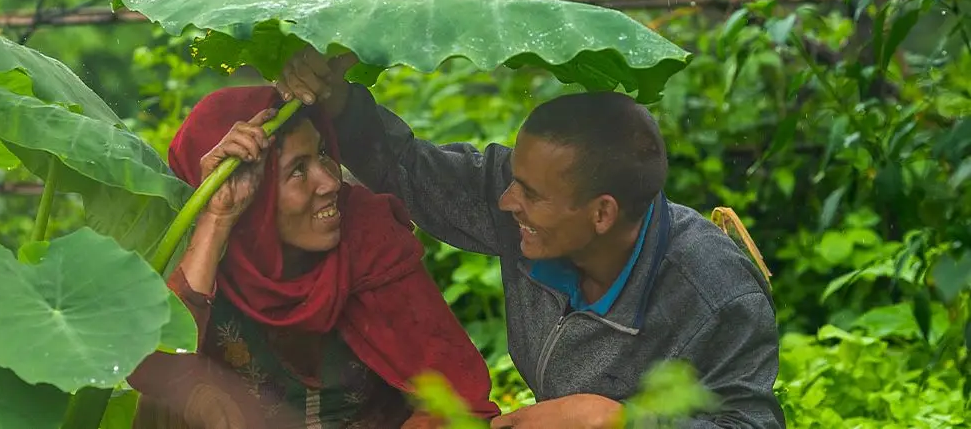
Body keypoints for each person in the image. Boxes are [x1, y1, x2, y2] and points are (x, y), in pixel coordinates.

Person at [271, 49, 784, 429]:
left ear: (602, 213)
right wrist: (340, 104)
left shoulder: (714, 292)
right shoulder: (523, 206)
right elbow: (410, 170)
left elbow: (752, 423)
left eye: (530, 193)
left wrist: (613, 419)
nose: (505, 201)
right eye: (513, 178)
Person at [125, 85, 501, 429]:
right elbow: (149, 366)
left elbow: (456, 399)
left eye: (322, 153)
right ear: (254, 195)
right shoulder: (203, 257)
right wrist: (218, 218)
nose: (331, 182)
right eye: (298, 170)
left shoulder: (367, 235)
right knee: (164, 406)